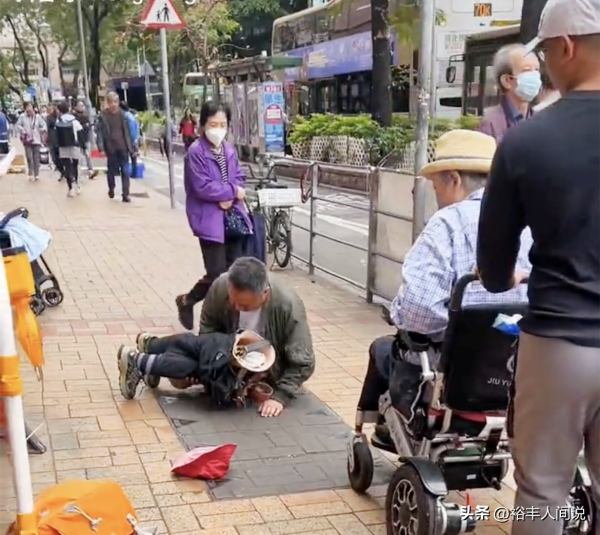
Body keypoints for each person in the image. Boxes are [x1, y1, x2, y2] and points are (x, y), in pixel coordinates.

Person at [477, 1, 600, 533]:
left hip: (559, 344)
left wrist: (504, 279)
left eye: (546, 52)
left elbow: (493, 266)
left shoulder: (528, 139)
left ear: (567, 45)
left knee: (542, 492)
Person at [362, 130, 532, 447]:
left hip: (456, 376)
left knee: (387, 349)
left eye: (437, 185)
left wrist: (398, 312)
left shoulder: (448, 223)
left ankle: (391, 427)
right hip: (519, 369)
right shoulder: (530, 220)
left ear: (453, 179)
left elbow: (418, 313)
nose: (436, 195)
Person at [175, 102, 252, 331]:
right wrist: (229, 192)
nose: (218, 129)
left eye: (222, 124)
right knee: (217, 274)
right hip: (209, 220)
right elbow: (202, 186)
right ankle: (191, 303)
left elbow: (239, 176)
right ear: (202, 126)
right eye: (213, 124)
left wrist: (234, 193)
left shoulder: (228, 149)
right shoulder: (195, 153)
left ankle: (230, 320)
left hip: (233, 217)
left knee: (235, 274)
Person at [479, 44, 541, 142]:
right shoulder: (491, 124)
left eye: (536, 70)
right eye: (526, 70)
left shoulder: (541, 119)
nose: (534, 76)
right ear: (507, 81)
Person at [96, 91, 134, 202]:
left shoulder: (122, 115)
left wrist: (131, 145)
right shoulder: (103, 116)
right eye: (111, 102)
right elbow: (100, 133)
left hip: (123, 147)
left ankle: (125, 194)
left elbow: (127, 131)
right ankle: (111, 188)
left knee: (125, 171)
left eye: (116, 102)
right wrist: (101, 147)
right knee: (111, 171)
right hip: (111, 147)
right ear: (108, 103)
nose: (114, 104)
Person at [55, 100, 83, 197]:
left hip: (63, 146)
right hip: (74, 145)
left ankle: (70, 188)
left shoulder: (58, 121)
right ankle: (78, 186)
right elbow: (80, 133)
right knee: (75, 165)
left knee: (67, 167)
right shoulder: (74, 121)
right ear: (69, 109)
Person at [16, 101, 47, 181]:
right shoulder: (22, 117)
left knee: (36, 157)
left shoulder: (38, 117)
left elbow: (44, 126)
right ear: (25, 108)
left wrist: (40, 130)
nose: (29, 109)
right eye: (27, 107)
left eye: (30, 107)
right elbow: (18, 125)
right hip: (27, 140)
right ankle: (31, 173)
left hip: (36, 139)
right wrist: (23, 131)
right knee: (29, 157)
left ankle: (37, 174)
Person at [73, 100, 97, 179]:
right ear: (76, 107)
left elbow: (88, 127)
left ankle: (90, 170)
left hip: (86, 139)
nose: (82, 107)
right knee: (80, 157)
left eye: (83, 106)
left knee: (88, 155)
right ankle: (78, 173)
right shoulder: (75, 117)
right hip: (78, 140)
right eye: (80, 106)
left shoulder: (85, 116)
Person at [120, 101, 140, 178]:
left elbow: (132, 130)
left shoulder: (126, 117)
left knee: (129, 157)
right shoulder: (131, 116)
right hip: (133, 140)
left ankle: (132, 173)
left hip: (130, 140)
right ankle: (133, 173)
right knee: (133, 158)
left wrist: (133, 140)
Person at [45, 105, 65, 180]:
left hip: (61, 141)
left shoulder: (61, 117)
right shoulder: (49, 118)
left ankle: (66, 173)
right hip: (52, 141)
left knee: (63, 158)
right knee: (55, 159)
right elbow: (49, 126)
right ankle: (62, 172)